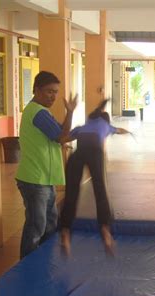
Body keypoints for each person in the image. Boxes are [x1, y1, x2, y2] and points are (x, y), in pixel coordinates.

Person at [16, 71, 78, 259]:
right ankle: (26, 266)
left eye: (56, 92)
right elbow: (63, 136)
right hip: (34, 179)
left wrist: (69, 119)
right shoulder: (38, 113)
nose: (53, 96)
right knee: (36, 225)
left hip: (45, 178)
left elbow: (61, 133)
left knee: (50, 223)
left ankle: (44, 261)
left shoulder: (43, 112)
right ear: (36, 90)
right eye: (49, 91)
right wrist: (72, 115)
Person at [59, 99, 131, 255]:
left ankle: (65, 233)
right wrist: (128, 132)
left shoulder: (82, 127)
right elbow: (119, 130)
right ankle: (105, 231)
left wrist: (64, 144)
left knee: (71, 194)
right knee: (100, 191)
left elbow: (63, 139)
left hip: (76, 155)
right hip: (94, 153)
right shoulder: (106, 125)